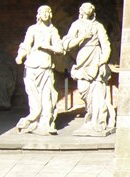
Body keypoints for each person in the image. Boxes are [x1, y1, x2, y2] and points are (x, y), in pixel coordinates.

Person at [62, 3, 115, 136]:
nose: (89, 9)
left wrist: (102, 61)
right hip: (82, 58)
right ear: (81, 10)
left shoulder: (98, 26)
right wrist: (82, 37)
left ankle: (97, 121)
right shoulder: (76, 25)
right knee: (83, 89)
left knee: (98, 90)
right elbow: (66, 43)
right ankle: (90, 115)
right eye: (86, 7)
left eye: (91, 7)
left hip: (95, 57)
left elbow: (106, 44)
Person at [15, 5, 64, 135]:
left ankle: (46, 123)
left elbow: (60, 49)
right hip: (31, 65)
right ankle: (33, 120)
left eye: (48, 12)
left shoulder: (53, 31)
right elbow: (26, 44)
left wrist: (47, 46)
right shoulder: (33, 29)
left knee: (47, 95)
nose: (45, 14)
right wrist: (20, 56)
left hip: (46, 67)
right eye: (43, 12)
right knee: (33, 97)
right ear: (38, 14)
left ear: (50, 14)